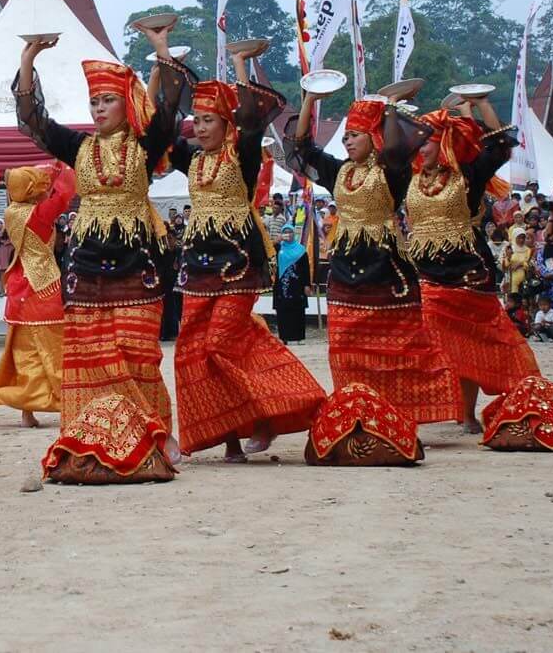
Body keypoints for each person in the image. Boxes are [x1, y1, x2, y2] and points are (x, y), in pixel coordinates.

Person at [15, 29, 185, 454]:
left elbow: (166, 112)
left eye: (107, 100)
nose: (99, 108)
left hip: (135, 262)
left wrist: (161, 52)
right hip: (86, 264)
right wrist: (28, 58)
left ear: (125, 104)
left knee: (136, 352)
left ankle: (155, 433)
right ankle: (92, 432)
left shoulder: (145, 148)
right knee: (91, 354)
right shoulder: (78, 146)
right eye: (93, 101)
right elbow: (36, 121)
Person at [167, 48, 325, 462]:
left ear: (226, 123)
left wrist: (239, 67)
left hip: (238, 265)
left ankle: (276, 412)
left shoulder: (244, 156)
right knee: (192, 351)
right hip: (198, 267)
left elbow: (254, 119)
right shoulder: (193, 160)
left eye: (209, 120)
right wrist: (163, 55)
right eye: (197, 120)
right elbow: (160, 130)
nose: (199, 128)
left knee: (219, 345)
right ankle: (232, 439)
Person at [287, 94, 459, 425]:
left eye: (356, 134)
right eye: (346, 135)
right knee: (343, 350)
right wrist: (309, 98)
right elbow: (303, 146)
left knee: (397, 351)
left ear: (374, 137)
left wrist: (390, 109)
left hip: (385, 268)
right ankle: (356, 412)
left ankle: (399, 414)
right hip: (344, 267)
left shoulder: (392, 172)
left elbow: (395, 151)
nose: (348, 140)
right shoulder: (338, 171)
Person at [404, 98, 539, 430]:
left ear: (444, 142)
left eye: (429, 141)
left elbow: (500, 144)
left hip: (467, 270)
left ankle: (468, 413)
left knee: (472, 341)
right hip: (425, 270)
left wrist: (480, 104)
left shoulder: (467, 175)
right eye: (419, 142)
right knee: (433, 340)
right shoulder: (411, 177)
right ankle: (442, 408)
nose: (421, 148)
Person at [0, 162, 75, 427]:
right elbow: (66, 193)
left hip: (19, 281)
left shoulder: (12, 211)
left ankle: (27, 411)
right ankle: (65, 401)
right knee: (55, 346)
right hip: (43, 284)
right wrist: (62, 165)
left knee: (25, 350)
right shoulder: (40, 215)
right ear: (34, 191)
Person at [271, 226, 310, 343]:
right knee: (283, 310)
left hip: (297, 285)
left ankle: (299, 337)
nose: (288, 234)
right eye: (285, 232)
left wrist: (307, 285)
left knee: (298, 310)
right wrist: (276, 241)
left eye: (290, 232)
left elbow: (306, 269)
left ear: (294, 234)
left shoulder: (301, 249)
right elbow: (266, 250)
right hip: (282, 285)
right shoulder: (278, 248)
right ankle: (284, 337)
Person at [500, 226, 535, 300]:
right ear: (514, 237)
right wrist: (508, 258)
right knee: (513, 299)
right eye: (519, 237)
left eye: (523, 237)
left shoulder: (528, 250)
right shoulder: (509, 249)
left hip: (525, 280)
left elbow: (531, 264)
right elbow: (504, 266)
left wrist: (520, 264)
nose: (521, 240)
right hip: (511, 279)